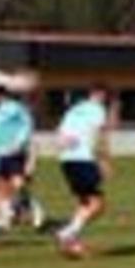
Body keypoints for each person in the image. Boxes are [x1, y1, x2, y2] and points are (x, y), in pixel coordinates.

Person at [54, 84, 112, 259]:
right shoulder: (98, 109)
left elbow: (59, 136)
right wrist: (104, 160)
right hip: (83, 159)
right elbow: (100, 135)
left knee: (85, 203)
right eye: (105, 97)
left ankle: (73, 243)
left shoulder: (72, 111)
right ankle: (67, 233)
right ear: (99, 94)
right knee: (98, 205)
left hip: (67, 161)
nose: (105, 100)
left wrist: (66, 148)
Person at [0, 85, 45, 231]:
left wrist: (19, 143)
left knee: (18, 184)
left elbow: (28, 124)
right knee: (0, 186)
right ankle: (6, 217)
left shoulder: (15, 107)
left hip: (14, 152)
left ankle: (35, 207)